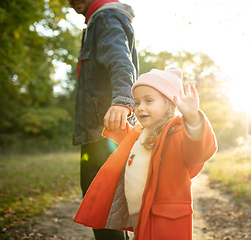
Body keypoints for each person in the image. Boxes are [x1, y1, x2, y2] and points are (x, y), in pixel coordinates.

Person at [73, 67, 218, 240]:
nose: (140, 108)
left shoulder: (177, 132)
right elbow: (127, 142)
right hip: (139, 213)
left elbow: (198, 151)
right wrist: (115, 120)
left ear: (170, 103)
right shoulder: (140, 133)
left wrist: (193, 119)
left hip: (164, 219)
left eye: (149, 101)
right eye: (137, 103)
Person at [68, 0, 138, 239]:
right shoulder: (101, 19)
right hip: (103, 131)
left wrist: (122, 101)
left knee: (102, 207)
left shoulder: (105, 18)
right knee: (109, 211)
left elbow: (121, 61)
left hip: (105, 131)